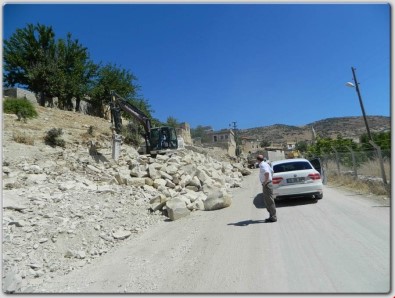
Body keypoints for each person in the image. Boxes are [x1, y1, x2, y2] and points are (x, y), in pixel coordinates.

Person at [257, 155, 277, 222]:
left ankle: (273, 217)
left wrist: (265, 182)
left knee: (269, 201)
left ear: (258, 160)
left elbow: (267, 173)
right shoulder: (265, 164)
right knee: (268, 201)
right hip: (268, 183)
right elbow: (272, 171)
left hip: (267, 184)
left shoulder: (262, 165)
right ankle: (271, 216)